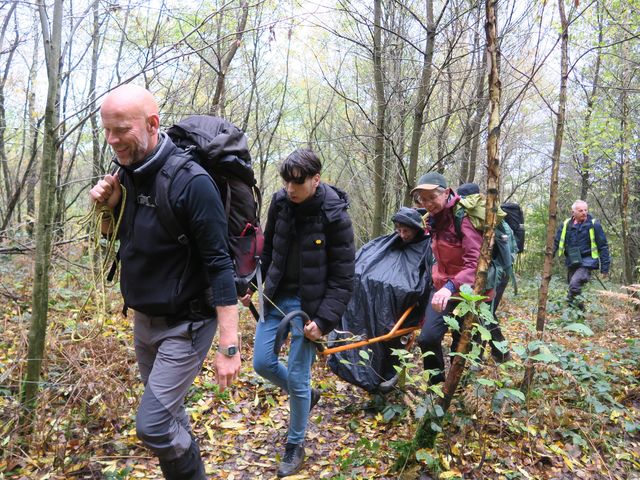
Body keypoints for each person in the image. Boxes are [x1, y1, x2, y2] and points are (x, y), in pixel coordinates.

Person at [89, 84, 241, 480]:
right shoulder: (128, 174)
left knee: (153, 425)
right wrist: (108, 210)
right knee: (169, 417)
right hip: (145, 319)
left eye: (121, 129)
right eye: (107, 130)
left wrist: (229, 346)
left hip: (186, 324)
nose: (112, 140)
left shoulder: (192, 183)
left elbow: (219, 264)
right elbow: (116, 238)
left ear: (152, 124)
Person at [242, 148, 355, 477]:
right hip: (276, 296)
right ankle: (304, 395)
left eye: (298, 182)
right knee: (262, 363)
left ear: (316, 180)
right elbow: (269, 248)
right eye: (286, 181)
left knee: (298, 374)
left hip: (310, 308)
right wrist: (252, 282)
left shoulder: (336, 216)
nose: (291, 189)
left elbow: (344, 277)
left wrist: (324, 321)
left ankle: (295, 445)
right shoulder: (280, 203)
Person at [411, 172, 483, 384]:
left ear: (446, 193)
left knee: (461, 343)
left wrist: (450, 286)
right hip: (442, 287)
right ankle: (436, 387)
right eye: (423, 199)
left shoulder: (464, 219)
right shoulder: (431, 221)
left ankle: (458, 386)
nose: (428, 203)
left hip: (468, 291)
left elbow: (475, 264)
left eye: (432, 197)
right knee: (427, 338)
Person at [457, 182, 511, 363]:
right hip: (497, 272)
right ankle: (498, 354)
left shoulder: (479, 215)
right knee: (485, 314)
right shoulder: (486, 213)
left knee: (484, 314)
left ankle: (482, 357)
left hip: (491, 274)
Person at [553, 200, 610, 310]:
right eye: (581, 210)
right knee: (573, 287)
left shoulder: (594, 225)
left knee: (574, 285)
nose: (584, 212)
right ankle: (579, 313)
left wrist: (605, 268)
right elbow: (557, 241)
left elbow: (603, 246)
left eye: (585, 210)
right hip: (572, 260)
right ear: (573, 212)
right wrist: (550, 255)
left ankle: (571, 310)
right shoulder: (566, 224)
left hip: (587, 261)